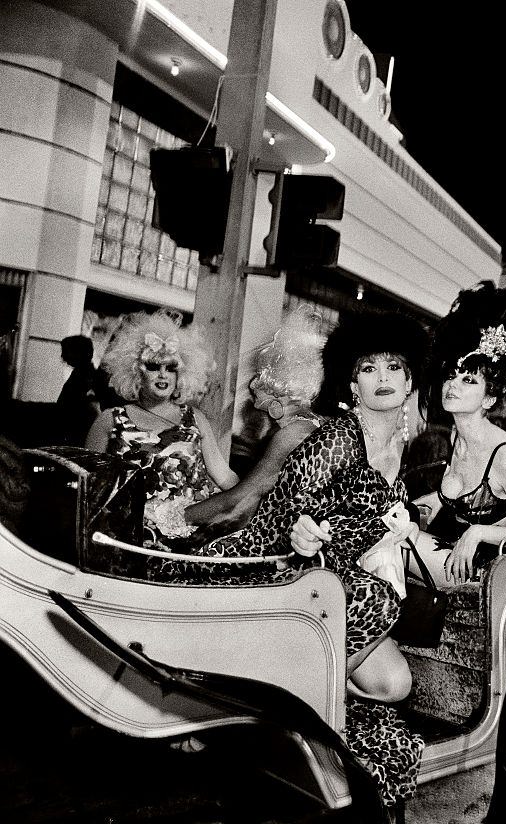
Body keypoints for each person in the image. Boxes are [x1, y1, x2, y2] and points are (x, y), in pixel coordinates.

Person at [149, 309, 429, 812]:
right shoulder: (340, 436)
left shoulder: (399, 443)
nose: (382, 378)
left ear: (410, 381)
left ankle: (295, 701)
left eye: (394, 368)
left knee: (394, 684)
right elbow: (287, 511)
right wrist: (304, 532)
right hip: (271, 563)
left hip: (332, 574)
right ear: (352, 380)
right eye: (369, 368)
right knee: (378, 599)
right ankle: (258, 702)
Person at [291, 276, 506, 588]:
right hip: (448, 553)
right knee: (366, 530)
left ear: (489, 397)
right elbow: (461, 498)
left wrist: (478, 533)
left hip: (484, 572)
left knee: (379, 542)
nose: (453, 386)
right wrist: (430, 501)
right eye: (452, 375)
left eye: (469, 381)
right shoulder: (455, 438)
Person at [84, 309, 238, 548]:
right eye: (154, 366)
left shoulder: (195, 419)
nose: (163, 375)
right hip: (127, 540)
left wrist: (258, 498)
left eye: (171, 368)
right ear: (135, 371)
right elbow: (90, 491)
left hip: (189, 543)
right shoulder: (109, 421)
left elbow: (225, 477)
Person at [183, 310, 326, 537]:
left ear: (279, 386)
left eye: (259, 376)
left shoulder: (292, 433)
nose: (251, 385)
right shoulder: (307, 424)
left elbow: (237, 502)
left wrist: (178, 516)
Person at [55, 334, 100, 446]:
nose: (62, 356)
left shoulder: (85, 377)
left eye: (66, 351)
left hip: (75, 435)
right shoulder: (81, 374)